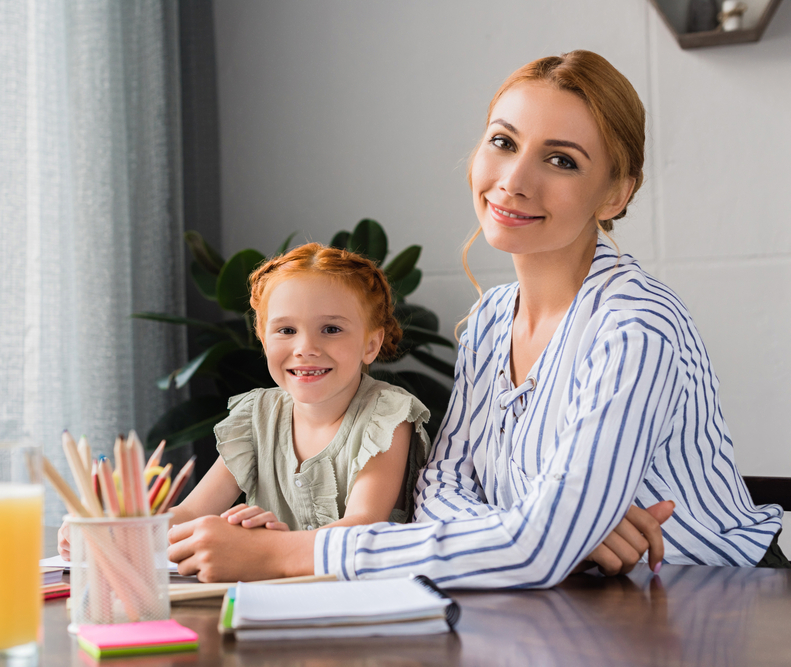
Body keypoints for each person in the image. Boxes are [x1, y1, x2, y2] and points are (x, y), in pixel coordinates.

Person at [166, 50, 786, 587]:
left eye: (562, 160)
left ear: (616, 194)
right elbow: (440, 497)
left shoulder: (636, 328)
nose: (513, 180)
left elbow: (539, 548)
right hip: (579, 600)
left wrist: (282, 554)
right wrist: (550, 536)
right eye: (503, 142)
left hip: (716, 601)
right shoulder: (491, 320)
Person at [58, 243, 434, 559]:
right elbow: (191, 511)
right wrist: (112, 536)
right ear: (264, 339)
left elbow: (361, 526)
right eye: (286, 330)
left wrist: (261, 548)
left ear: (371, 344)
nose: (305, 348)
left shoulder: (388, 415)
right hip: (269, 602)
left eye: (331, 329)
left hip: (366, 604)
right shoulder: (257, 415)